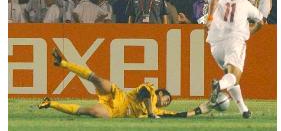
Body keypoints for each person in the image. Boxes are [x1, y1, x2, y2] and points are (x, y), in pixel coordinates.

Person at [38, 48, 208, 118]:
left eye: (168, 103)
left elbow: (179, 115)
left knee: (90, 112)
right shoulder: (151, 89)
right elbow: (144, 94)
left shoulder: (158, 111)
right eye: (167, 99)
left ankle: (50, 103)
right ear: (161, 93)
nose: (167, 103)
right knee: (97, 79)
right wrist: (150, 113)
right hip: (117, 95)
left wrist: (201, 110)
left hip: (115, 111)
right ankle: (63, 63)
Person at [205, 0, 264, 119]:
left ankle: (243, 110)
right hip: (234, 40)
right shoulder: (243, 1)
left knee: (230, 75)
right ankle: (219, 85)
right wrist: (250, 31)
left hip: (215, 45)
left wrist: (211, 17)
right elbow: (261, 21)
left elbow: (214, 0)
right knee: (233, 76)